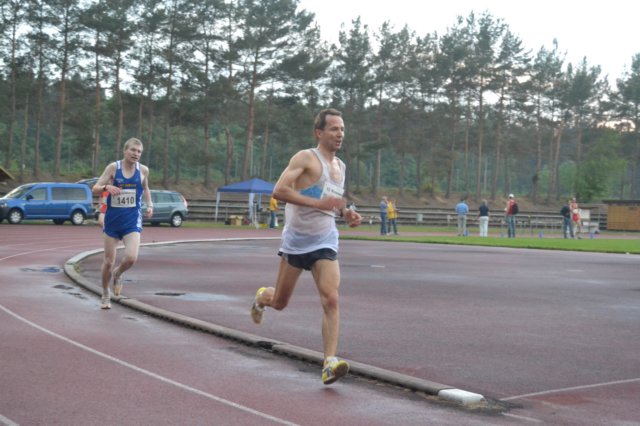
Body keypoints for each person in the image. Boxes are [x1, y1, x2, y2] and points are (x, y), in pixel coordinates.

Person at [249, 108, 362, 385]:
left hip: (325, 239)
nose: (340, 134)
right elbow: (279, 191)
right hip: (297, 241)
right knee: (280, 302)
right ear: (319, 133)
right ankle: (263, 297)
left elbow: (332, 201)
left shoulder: (341, 166)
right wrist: (317, 203)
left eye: (342, 129)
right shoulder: (305, 158)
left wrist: (346, 213)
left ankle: (329, 362)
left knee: (331, 298)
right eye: (334, 129)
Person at [92, 138, 153, 310]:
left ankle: (118, 274)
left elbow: (146, 188)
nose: (136, 154)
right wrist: (107, 188)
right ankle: (105, 293)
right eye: (133, 150)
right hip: (112, 221)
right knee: (108, 262)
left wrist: (150, 205)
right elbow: (95, 188)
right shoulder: (113, 168)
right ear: (125, 151)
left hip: (131, 221)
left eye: (139, 151)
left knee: (131, 258)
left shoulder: (143, 170)